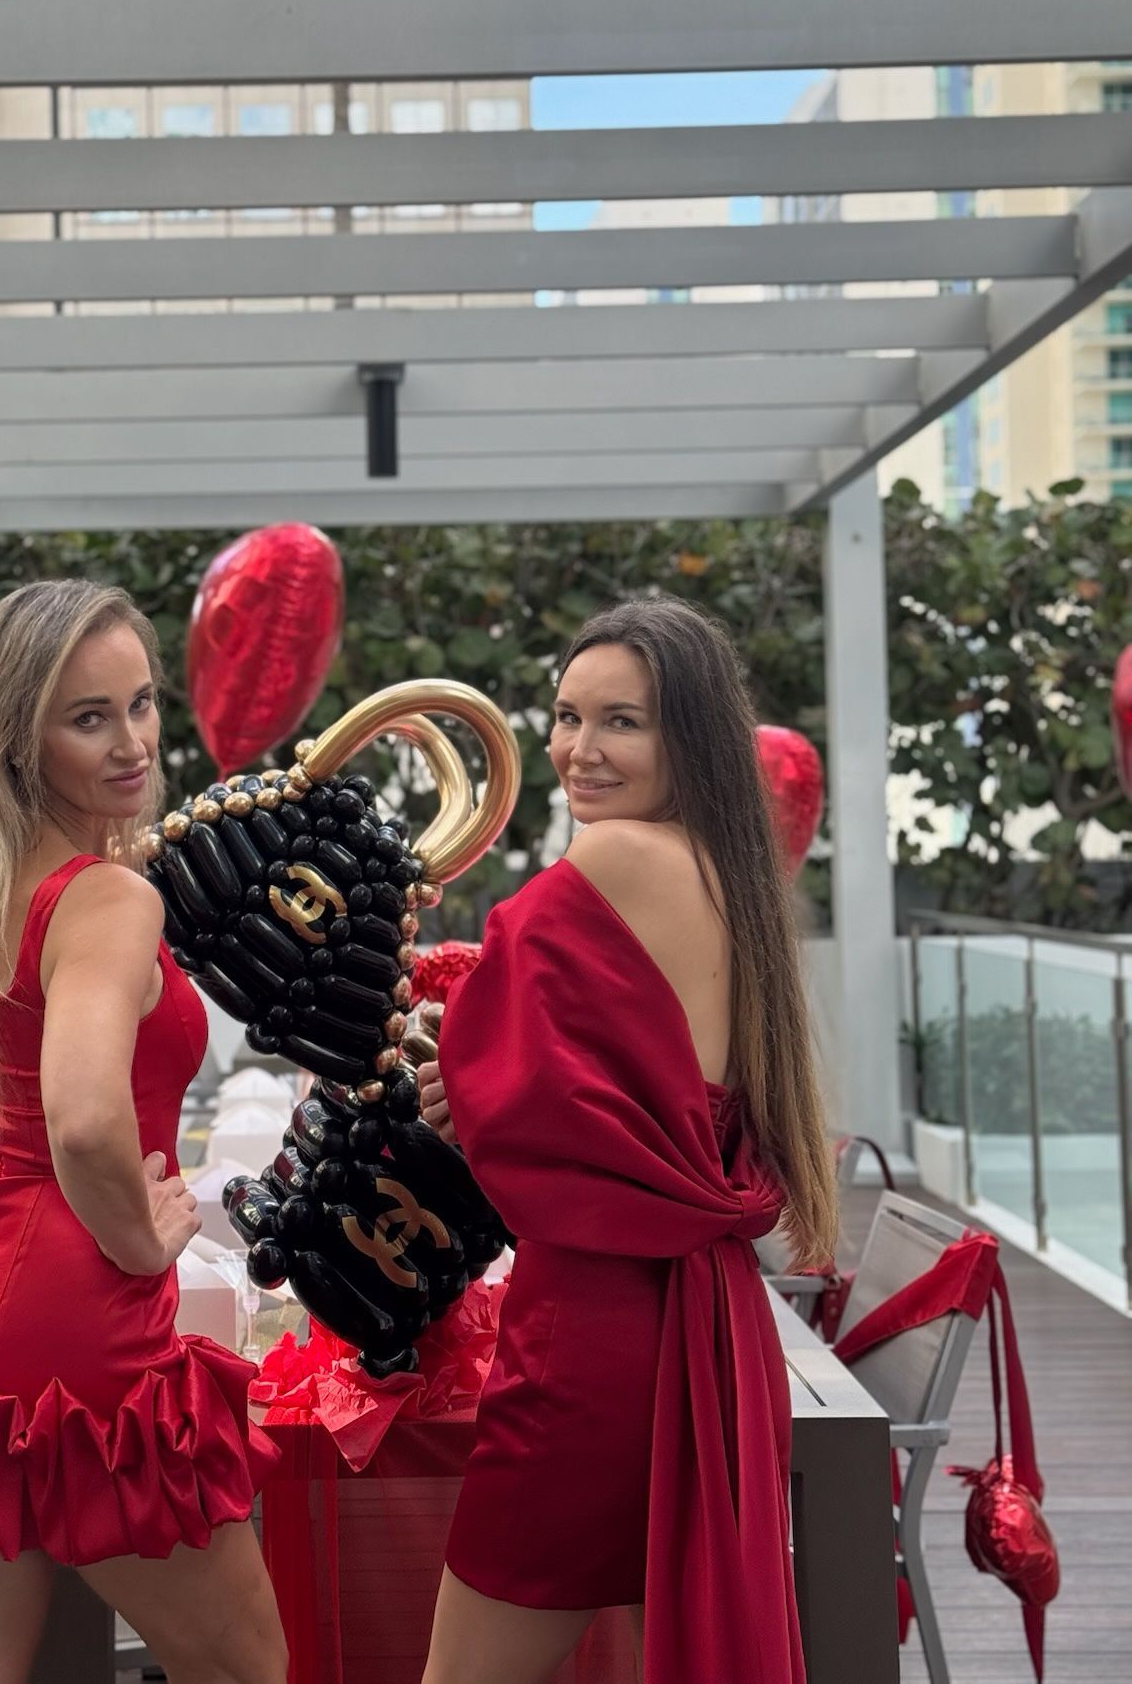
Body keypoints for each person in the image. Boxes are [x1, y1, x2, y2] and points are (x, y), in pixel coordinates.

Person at [0, 581, 286, 1684]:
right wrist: (139, 1239)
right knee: (251, 1667)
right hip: (75, 1328)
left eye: (141, 702)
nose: (133, 741)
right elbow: (83, 1119)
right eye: (89, 717)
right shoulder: (105, 898)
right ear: (20, 739)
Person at [417, 594, 837, 1684]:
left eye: (622, 721)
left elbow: (488, 1077)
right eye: (566, 714)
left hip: (592, 1335)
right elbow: (594, 1105)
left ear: (685, 735)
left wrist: (451, 1069)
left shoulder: (615, 862)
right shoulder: (731, 877)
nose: (578, 749)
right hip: (708, 1331)